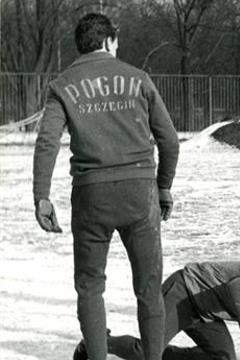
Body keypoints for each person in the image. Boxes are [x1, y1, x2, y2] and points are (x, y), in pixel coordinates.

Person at [32, 13, 179, 360]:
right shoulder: (139, 78)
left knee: (90, 286)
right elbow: (169, 141)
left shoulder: (62, 85)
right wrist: (163, 188)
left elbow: (47, 142)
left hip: (91, 195)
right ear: (110, 41)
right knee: (148, 288)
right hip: (140, 192)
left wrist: (41, 196)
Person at [72, 261, 240, 360]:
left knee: (222, 358)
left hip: (207, 315)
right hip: (186, 291)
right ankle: (95, 343)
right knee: (147, 353)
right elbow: (238, 289)